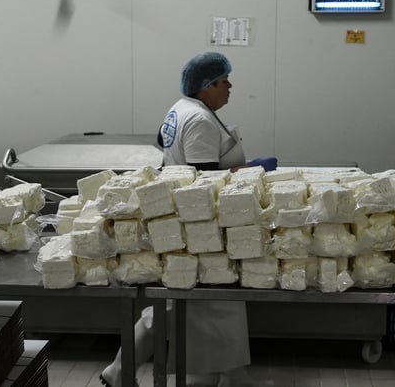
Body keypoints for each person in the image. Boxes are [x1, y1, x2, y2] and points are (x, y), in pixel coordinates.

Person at [101, 52, 275, 387]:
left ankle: (122, 369)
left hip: (184, 220)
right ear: (207, 86)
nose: (230, 86)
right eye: (224, 81)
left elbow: (164, 144)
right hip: (199, 225)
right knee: (212, 300)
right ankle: (212, 377)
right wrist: (250, 169)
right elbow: (203, 183)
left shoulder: (181, 109)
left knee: (173, 301)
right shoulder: (199, 120)